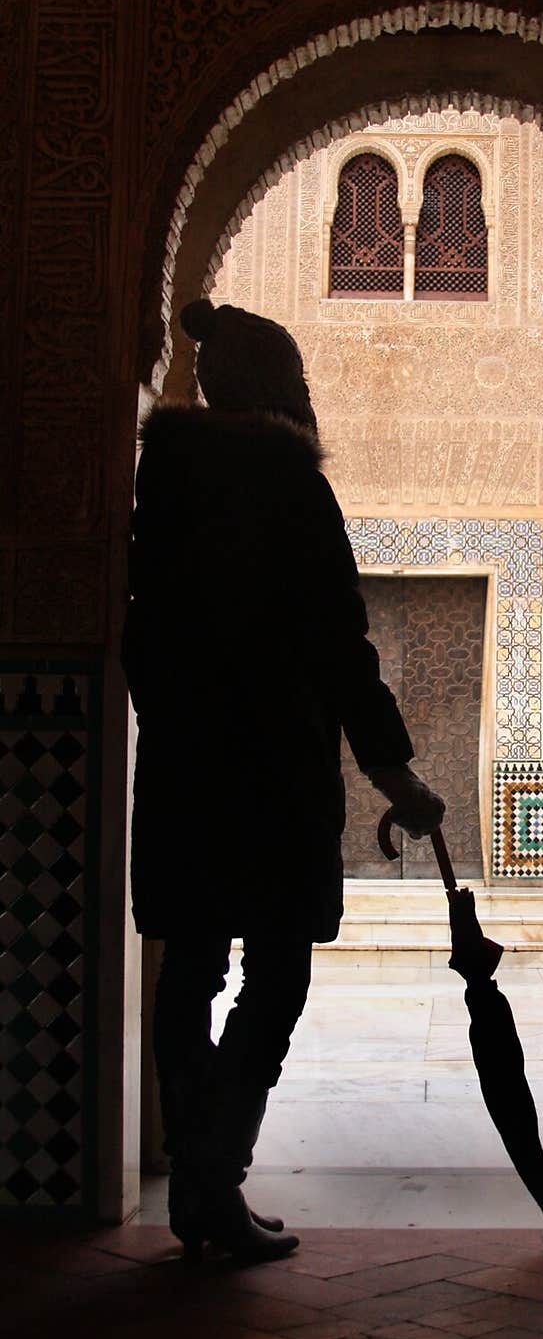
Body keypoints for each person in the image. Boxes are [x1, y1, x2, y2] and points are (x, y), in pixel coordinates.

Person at [122, 298, 445, 1262]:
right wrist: (394, 773)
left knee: (192, 967)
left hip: (184, 776)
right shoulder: (294, 494)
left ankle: (200, 1175)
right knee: (278, 970)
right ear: (280, 386)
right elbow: (341, 647)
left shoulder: (159, 492)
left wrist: (180, 723)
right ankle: (213, 1173)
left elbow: (138, 634)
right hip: (274, 787)